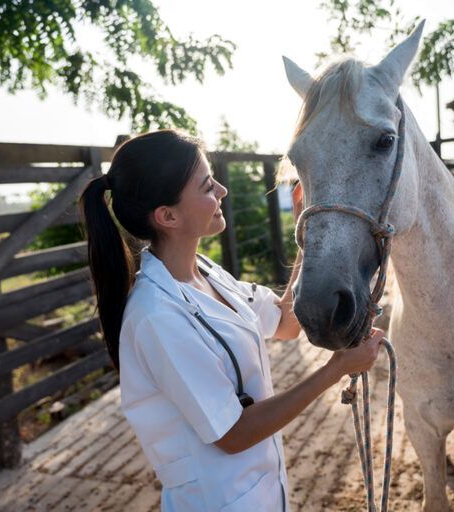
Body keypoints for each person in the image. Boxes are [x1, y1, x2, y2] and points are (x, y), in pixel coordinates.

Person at [79, 129, 384, 512]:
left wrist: (308, 231)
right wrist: (335, 369)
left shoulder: (206, 274)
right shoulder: (156, 317)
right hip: (218, 501)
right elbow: (234, 434)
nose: (222, 190)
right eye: (208, 186)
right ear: (168, 216)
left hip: (260, 492)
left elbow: (285, 323)